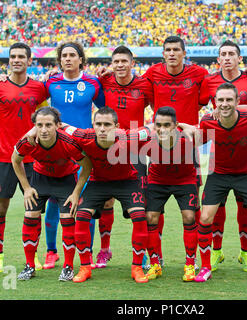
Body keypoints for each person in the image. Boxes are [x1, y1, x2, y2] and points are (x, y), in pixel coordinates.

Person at [180, 82, 247, 283]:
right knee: (205, 217)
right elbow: (199, 140)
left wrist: (246, 108)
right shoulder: (208, 121)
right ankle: (205, 267)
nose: (224, 104)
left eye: (229, 100)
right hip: (219, 174)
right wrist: (187, 130)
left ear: (238, 101)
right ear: (215, 102)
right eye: (220, 100)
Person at [199, 40, 247, 273]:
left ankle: (245, 253)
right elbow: (195, 105)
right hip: (217, 159)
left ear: (240, 58)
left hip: (244, 154)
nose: (227, 57)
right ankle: (215, 253)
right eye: (223, 54)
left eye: (231, 54)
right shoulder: (209, 81)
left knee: (245, 208)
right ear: (218, 59)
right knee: (215, 210)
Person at [0, 42, 47, 273]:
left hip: (32, 159)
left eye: (21, 57)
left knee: (34, 210)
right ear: (9, 60)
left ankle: (32, 256)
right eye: (13, 56)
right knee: (0, 208)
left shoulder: (39, 88)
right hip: (5, 158)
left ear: (29, 61)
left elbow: (46, 117)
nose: (16, 60)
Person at [62, 107, 150, 283]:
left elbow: (150, 129)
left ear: (116, 126)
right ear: (92, 125)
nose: (102, 128)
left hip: (127, 181)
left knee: (140, 216)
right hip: (99, 181)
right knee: (82, 216)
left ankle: (137, 267)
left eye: (107, 125)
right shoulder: (83, 135)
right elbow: (62, 126)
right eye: (98, 124)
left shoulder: (128, 137)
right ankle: (85, 267)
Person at [42, 41, 105, 270]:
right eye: (64, 55)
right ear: (60, 60)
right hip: (57, 151)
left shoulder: (92, 83)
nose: (68, 59)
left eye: (72, 55)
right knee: (52, 201)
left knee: (83, 203)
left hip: (83, 150)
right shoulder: (50, 82)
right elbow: (32, 96)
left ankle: (85, 252)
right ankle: (51, 251)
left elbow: (105, 108)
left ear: (81, 59)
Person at [11, 107, 92, 281]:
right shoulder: (28, 141)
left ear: (57, 125)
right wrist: (26, 188)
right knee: (30, 215)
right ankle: (29, 266)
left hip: (65, 180)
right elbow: (15, 160)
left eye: (48, 125)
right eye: (39, 125)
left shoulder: (68, 142)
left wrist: (76, 192)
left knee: (67, 219)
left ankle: (68, 267)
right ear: (35, 126)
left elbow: (87, 165)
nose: (44, 129)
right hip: (40, 179)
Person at [95, 45, 153, 268]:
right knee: (106, 200)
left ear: (132, 63)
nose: (119, 65)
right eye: (116, 61)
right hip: (109, 150)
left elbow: (156, 107)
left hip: (136, 151)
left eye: (123, 61)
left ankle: (145, 253)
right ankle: (104, 250)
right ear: (112, 64)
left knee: (139, 205)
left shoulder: (144, 84)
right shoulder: (104, 81)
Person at [142, 106, 199, 282]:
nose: (162, 129)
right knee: (150, 217)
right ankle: (155, 264)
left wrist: (190, 128)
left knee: (189, 216)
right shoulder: (148, 139)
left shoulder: (187, 138)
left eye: (167, 125)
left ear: (175, 125)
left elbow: (204, 132)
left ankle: (190, 264)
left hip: (185, 180)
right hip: (158, 180)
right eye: (158, 125)